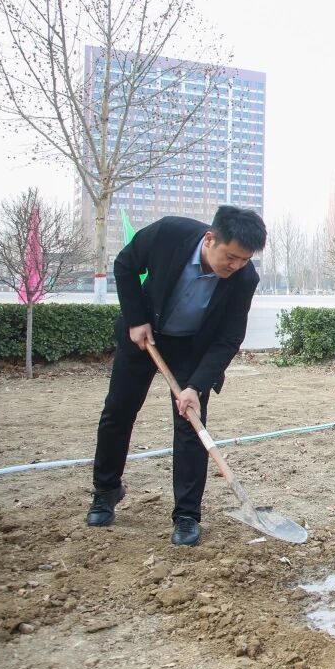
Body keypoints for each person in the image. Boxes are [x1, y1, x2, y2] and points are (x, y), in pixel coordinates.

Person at [87, 206, 266, 546]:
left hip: (191, 349)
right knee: (118, 412)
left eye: (244, 260)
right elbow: (125, 265)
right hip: (146, 335)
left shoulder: (244, 279)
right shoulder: (169, 234)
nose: (236, 266)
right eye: (231, 257)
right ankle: (106, 490)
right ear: (210, 239)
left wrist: (196, 387)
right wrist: (136, 318)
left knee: (191, 427)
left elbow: (228, 337)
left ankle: (187, 515)